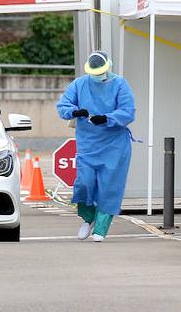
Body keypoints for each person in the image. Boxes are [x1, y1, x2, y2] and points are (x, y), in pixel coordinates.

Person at [56, 51, 136, 242]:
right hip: (88, 143)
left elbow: (128, 111)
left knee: (110, 187)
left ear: (109, 66)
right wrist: (75, 111)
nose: (98, 75)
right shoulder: (79, 84)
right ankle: (88, 217)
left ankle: (101, 227)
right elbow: (63, 106)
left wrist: (108, 118)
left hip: (115, 145)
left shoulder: (120, 84)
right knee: (84, 182)